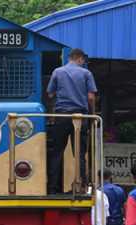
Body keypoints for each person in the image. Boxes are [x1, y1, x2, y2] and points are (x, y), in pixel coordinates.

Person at [46, 48, 97, 194]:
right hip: (80, 117)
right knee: (79, 154)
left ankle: (53, 188)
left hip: (62, 116)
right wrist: (92, 115)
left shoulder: (57, 72)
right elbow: (91, 97)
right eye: (83, 61)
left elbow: (50, 94)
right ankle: (80, 186)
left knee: (57, 152)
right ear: (80, 59)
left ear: (70, 58)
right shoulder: (86, 73)